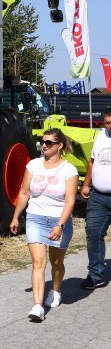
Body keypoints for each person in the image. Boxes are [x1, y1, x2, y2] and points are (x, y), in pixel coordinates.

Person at [10, 128, 78, 322]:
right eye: (43, 141)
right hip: (35, 218)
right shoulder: (33, 165)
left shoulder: (68, 170)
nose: (44, 145)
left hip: (58, 220)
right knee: (38, 263)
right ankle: (38, 306)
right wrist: (16, 217)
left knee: (56, 262)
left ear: (60, 146)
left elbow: (70, 202)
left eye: (49, 142)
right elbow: (24, 193)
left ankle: (56, 291)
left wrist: (60, 225)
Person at [80, 108, 111, 290]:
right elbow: (93, 161)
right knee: (93, 233)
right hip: (98, 197)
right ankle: (95, 274)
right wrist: (86, 184)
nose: (110, 126)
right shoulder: (101, 136)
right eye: (107, 123)